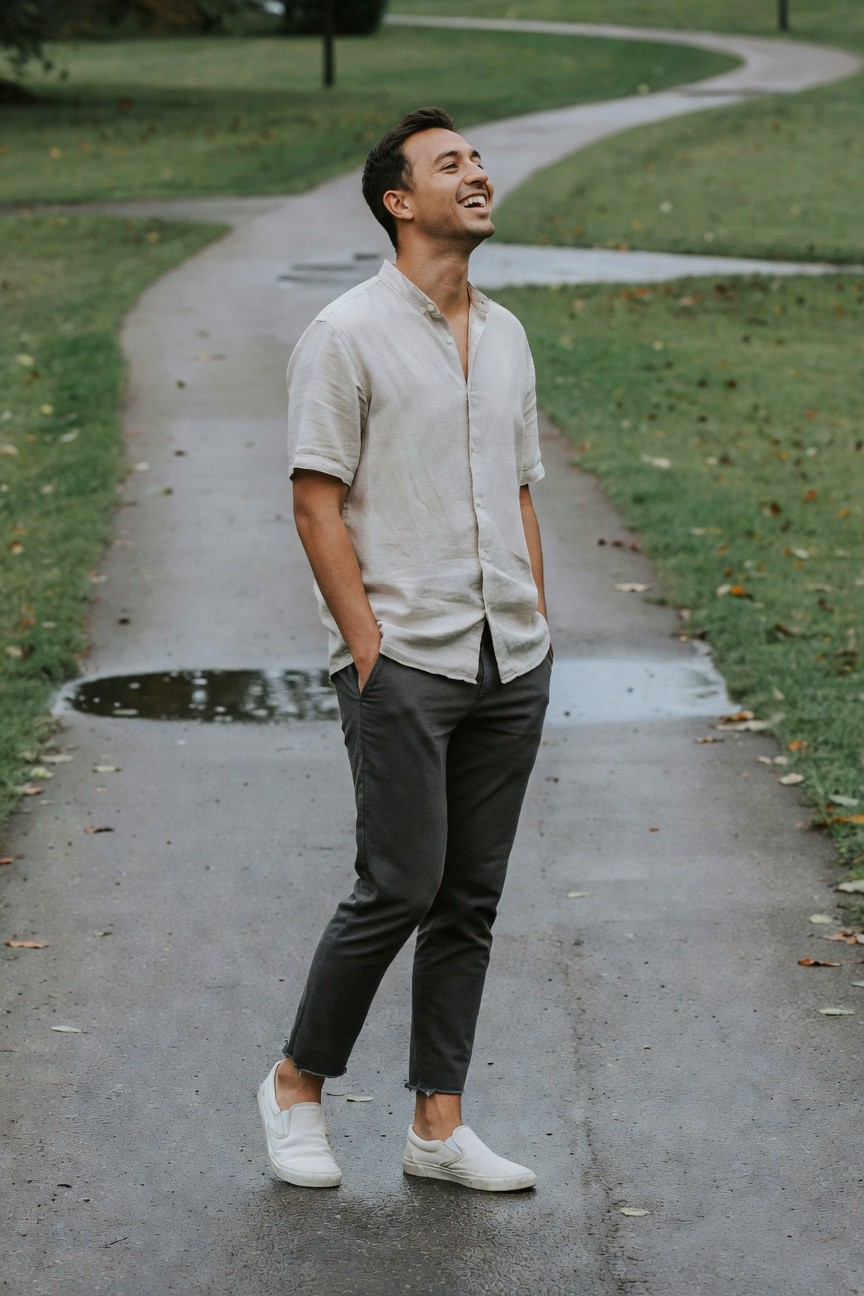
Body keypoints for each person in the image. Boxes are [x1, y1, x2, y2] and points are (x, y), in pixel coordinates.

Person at [257, 106, 552, 1192]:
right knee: (399, 883)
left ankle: (438, 1124)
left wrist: (537, 616)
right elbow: (314, 503)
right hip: (406, 663)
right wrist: (367, 648)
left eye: (477, 159)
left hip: (509, 658)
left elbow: (520, 488)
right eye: (450, 165)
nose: (477, 174)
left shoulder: (510, 334)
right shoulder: (345, 334)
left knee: (470, 897)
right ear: (399, 200)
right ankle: (296, 1084)